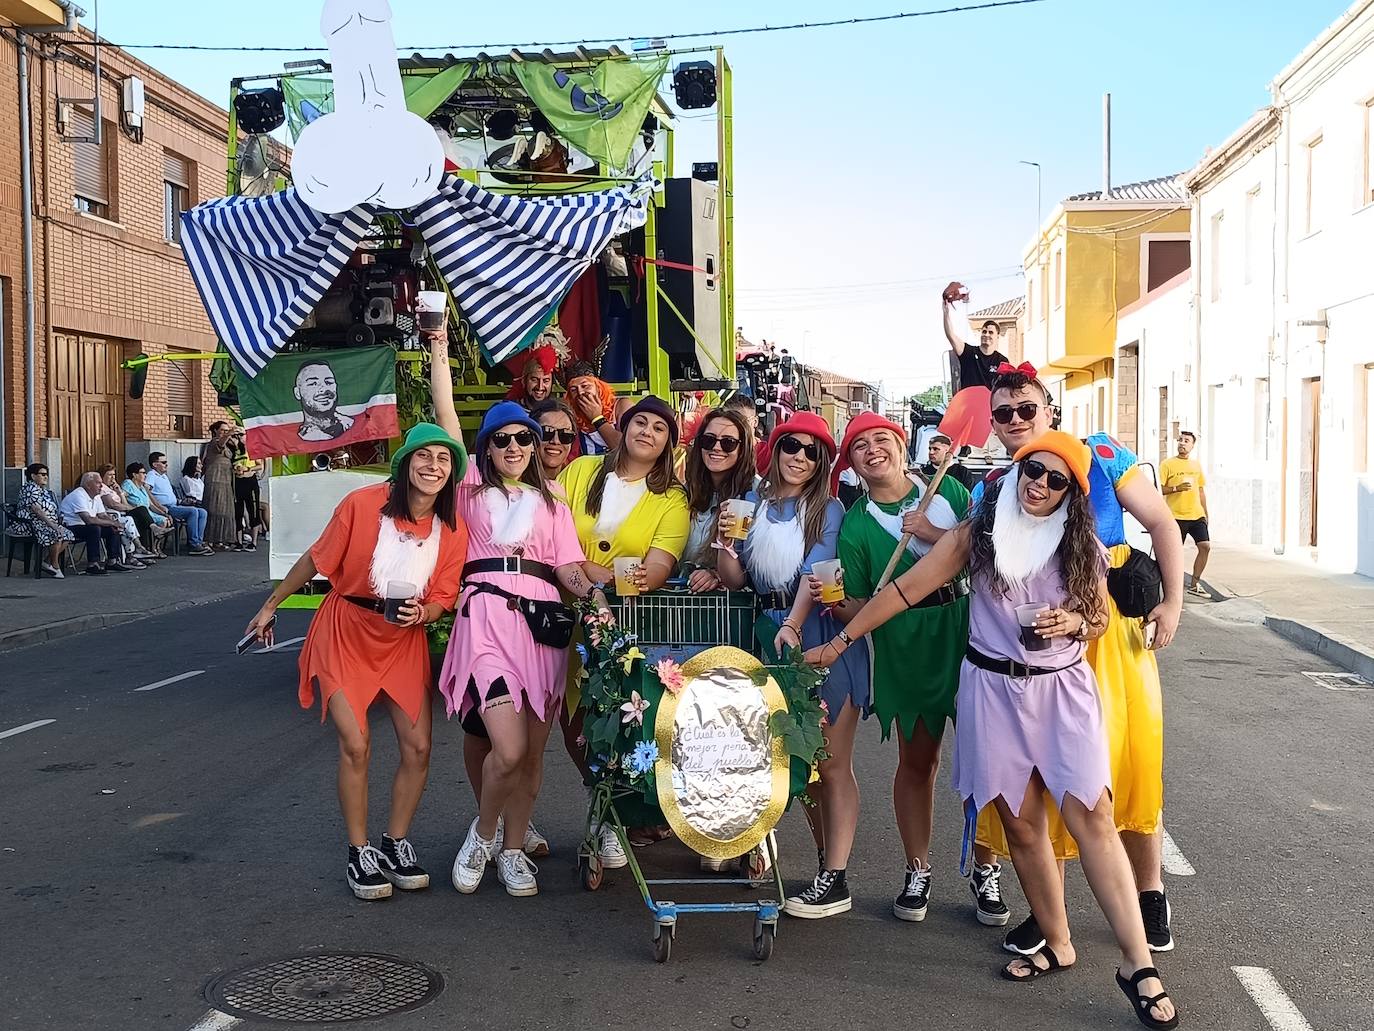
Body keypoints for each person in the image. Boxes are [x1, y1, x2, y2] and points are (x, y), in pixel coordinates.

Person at [805, 432, 1179, 1030]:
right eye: (1034, 470)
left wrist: (1075, 622)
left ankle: (1138, 966)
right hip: (990, 690)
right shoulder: (977, 533)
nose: (1041, 485)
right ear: (1016, 469)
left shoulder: (1080, 540)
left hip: (1062, 691)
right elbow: (906, 589)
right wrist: (840, 641)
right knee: (1020, 823)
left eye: (1058, 480)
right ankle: (1058, 942)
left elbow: (1102, 617)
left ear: (1074, 493)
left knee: (1094, 818)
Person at [970, 363, 1184, 957]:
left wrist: (1173, 602)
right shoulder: (997, 486)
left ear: (1049, 412)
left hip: (1107, 628)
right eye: (1004, 414)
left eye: (1027, 410)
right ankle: (1050, 913)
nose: (1016, 421)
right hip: (1030, 647)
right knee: (1040, 780)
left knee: (1129, 765)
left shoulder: (1101, 455)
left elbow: (1163, 522)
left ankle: (1149, 892)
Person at [244, 422, 470, 901]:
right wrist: (271, 606)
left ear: (452, 473)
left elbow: (446, 595)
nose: (433, 467)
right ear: (405, 463)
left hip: (402, 641)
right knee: (356, 743)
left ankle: (395, 842)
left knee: (419, 747)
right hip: (346, 630)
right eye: (424, 457)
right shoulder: (362, 505)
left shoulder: (451, 529)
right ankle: (360, 850)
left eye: (443, 460)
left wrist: (425, 612)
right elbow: (316, 558)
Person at [816, 411, 1006, 927]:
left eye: (883, 439)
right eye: (860, 446)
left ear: (903, 446)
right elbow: (856, 604)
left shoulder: (951, 495)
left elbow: (990, 560)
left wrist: (938, 531)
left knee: (983, 760)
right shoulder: (855, 525)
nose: (873, 450)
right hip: (904, 644)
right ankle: (917, 868)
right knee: (918, 761)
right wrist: (835, 604)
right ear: (850, 464)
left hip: (967, 632)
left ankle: (985, 868)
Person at [430, 364, 609, 896]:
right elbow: (446, 419)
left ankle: (511, 852)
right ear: (486, 448)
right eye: (502, 439)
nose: (514, 447)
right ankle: (482, 836)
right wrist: (438, 346)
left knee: (531, 752)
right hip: (484, 618)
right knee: (504, 747)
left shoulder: (552, 504)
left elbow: (568, 568)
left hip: (542, 627)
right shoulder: (467, 491)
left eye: (523, 439)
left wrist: (597, 601)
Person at [714, 412, 871, 919]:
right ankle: (827, 864)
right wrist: (724, 546)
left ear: (821, 460)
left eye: (810, 450)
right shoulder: (751, 504)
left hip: (816, 630)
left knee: (831, 760)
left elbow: (815, 574)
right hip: (768, 631)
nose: (799, 457)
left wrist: (795, 628)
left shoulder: (827, 509)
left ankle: (837, 877)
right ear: (776, 451)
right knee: (797, 758)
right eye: (791, 447)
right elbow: (737, 579)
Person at [559, 393, 691, 860]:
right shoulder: (580, 472)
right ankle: (602, 802)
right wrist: (593, 574)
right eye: (641, 422)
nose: (647, 432)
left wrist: (587, 572)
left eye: (659, 428)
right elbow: (550, 534)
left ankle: (615, 814)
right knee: (572, 721)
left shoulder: (671, 499)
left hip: (628, 621)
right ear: (623, 424)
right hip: (565, 614)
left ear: (668, 443)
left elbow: (652, 573)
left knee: (619, 718)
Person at [680, 406, 757, 593]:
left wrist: (716, 574)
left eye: (728, 442)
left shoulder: (758, 495)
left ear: (743, 448)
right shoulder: (683, 491)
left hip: (735, 607)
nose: (716, 447)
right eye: (709, 440)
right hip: (682, 600)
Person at [1159, 432, 1209, 596]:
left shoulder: (1196, 465)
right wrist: (1176, 489)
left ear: (1192, 445)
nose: (1182, 443)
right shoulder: (1167, 464)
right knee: (1173, 554)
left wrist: (1206, 513)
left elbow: (1200, 490)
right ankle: (1169, 589)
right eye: (1180, 440)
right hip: (1175, 516)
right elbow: (1158, 489)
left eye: (1186, 441)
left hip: (1196, 514)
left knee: (1205, 547)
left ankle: (1195, 584)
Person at [58, 472, 131, 574]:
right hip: (70, 527)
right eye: (98, 483)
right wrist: (112, 523)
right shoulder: (78, 495)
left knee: (111, 529)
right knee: (94, 528)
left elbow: (102, 515)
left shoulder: (96, 496)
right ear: (88, 485)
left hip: (85, 526)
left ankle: (112, 562)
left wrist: (114, 523)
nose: (101, 486)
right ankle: (92, 564)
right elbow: (88, 520)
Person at [942, 281, 1009, 391]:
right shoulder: (968, 352)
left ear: (997, 336)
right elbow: (951, 335)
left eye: (991, 332)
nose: (986, 334)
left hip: (990, 406)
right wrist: (946, 313)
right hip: (969, 404)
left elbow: (1006, 388)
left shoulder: (1002, 361)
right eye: (984, 331)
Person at [14, 463, 73, 577]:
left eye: (47, 474)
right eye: (42, 474)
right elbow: (37, 510)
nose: (46, 477)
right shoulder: (30, 489)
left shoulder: (43, 490)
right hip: (31, 524)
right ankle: (55, 566)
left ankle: (46, 562)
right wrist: (53, 525)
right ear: (33, 476)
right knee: (56, 533)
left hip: (44, 524)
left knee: (68, 534)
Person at [146, 452, 211, 555]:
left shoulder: (164, 476)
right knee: (193, 511)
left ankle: (199, 541)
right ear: (155, 464)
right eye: (163, 462)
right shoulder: (151, 475)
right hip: (166, 508)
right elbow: (146, 490)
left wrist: (181, 501)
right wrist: (158, 505)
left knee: (203, 512)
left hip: (175, 505)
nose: (166, 464)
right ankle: (193, 545)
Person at [96, 465, 158, 565]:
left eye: (114, 475)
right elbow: (113, 505)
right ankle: (137, 550)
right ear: (102, 476)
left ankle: (141, 553)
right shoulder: (102, 488)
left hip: (122, 513)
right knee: (137, 513)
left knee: (140, 520)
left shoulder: (111, 489)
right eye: (109, 475)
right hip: (113, 515)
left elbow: (124, 504)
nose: (113, 478)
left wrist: (119, 493)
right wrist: (132, 508)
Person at [563, 361, 628, 457]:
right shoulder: (571, 416)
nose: (580, 392)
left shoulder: (621, 406)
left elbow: (627, 448)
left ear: (599, 387)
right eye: (573, 390)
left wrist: (597, 419)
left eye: (585, 386)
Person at [125, 463, 179, 558]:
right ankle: (153, 544)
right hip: (136, 512)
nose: (145, 475)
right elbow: (123, 496)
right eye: (143, 473)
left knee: (164, 520)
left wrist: (164, 514)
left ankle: (156, 547)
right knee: (147, 515)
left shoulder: (142, 487)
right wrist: (126, 505)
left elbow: (151, 505)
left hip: (148, 513)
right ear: (134, 474)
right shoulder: (128, 483)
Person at [200, 422, 239, 550]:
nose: (224, 432)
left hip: (226, 479)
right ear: (216, 430)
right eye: (222, 430)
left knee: (225, 510)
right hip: (215, 479)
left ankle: (220, 540)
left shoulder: (230, 444)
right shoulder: (213, 442)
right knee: (214, 508)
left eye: (226, 430)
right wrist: (228, 435)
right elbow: (220, 444)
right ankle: (208, 539)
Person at [294, 360, 355, 440]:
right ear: (298, 393)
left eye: (329, 382)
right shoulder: (304, 436)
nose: (324, 389)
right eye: (313, 383)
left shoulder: (350, 423)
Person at [529, 398, 579, 481]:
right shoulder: (517, 483)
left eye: (565, 435)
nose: (555, 441)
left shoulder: (578, 480)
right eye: (547, 432)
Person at [233, 443, 265, 551]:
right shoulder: (234, 451)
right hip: (238, 481)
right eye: (236, 435)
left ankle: (254, 542)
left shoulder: (252, 449)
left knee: (253, 511)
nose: (238, 438)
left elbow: (260, 465)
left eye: (241, 435)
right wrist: (236, 470)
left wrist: (248, 468)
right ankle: (239, 542)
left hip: (250, 481)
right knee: (238, 511)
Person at [507, 345, 557, 410]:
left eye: (546, 381)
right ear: (524, 381)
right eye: (534, 380)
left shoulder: (557, 413)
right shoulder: (511, 411)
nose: (540, 387)